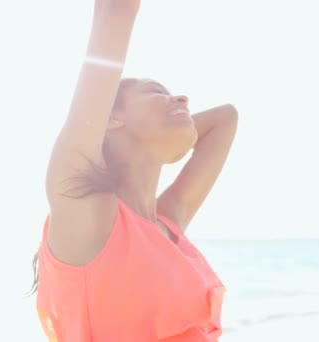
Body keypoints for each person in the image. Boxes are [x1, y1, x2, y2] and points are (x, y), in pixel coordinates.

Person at [30, 0, 238, 340]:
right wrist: (165, 138)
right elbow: (115, 11)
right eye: (158, 92)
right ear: (110, 118)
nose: (182, 99)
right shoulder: (87, 212)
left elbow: (227, 118)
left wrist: (161, 142)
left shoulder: (167, 224)